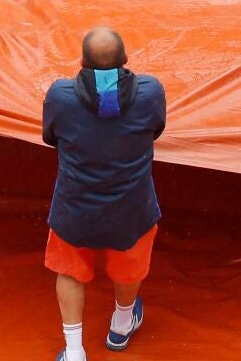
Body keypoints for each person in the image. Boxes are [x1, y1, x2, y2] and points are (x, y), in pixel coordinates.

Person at [42, 26, 166, 359]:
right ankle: (121, 327)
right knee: (128, 269)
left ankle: (74, 351)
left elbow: (50, 137)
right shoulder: (150, 92)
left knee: (69, 273)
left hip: (75, 210)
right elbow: (155, 129)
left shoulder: (60, 97)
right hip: (132, 210)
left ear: (81, 62)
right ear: (125, 60)